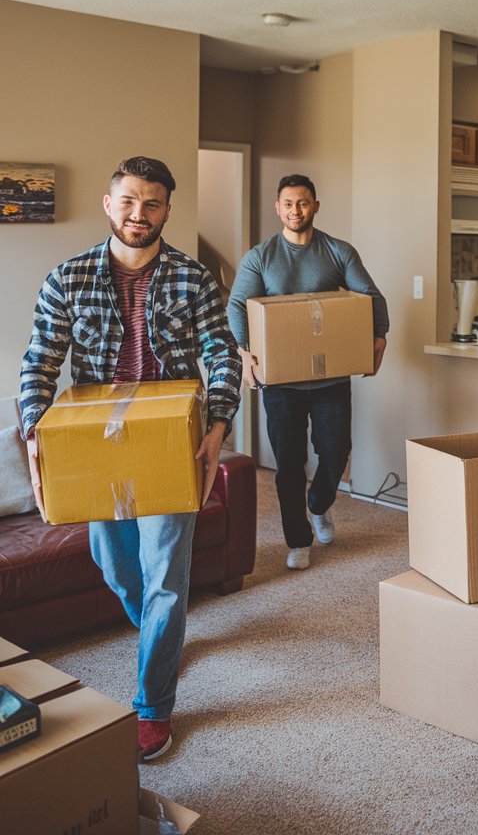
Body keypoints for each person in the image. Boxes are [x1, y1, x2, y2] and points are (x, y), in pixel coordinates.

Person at [19, 156, 242, 763]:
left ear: (167, 210)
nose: (138, 214)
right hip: (97, 449)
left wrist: (219, 425)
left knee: (167, 578)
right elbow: (40, 361)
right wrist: (37, 437)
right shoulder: (68, 278)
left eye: (152, 204)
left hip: (171, 443)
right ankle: (159, 637)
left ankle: (153, 706)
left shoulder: (194, 279)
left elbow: (222, 355)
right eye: (128, 201)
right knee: (117, 568)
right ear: (108, 202)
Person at [227, 174, 389, 571]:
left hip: (331, 380)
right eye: (287, 203)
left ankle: (319, 505)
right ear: (277, 208)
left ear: (315, 206)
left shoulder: (338, 252)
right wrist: (245, 352)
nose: (295, 210)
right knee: (289, 463)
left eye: (302, 203)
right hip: (281, 383)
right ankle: (297, 539)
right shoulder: (261, 256)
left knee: (335, 452)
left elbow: (370, 297)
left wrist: (379, 337)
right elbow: (237, 306)